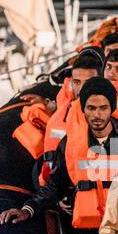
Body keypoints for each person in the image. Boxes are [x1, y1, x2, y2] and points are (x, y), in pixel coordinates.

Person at [0, 78, 118, 234]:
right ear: (83, 109)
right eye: (91, 108)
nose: (97, 115)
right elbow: (56, 184)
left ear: (112, 108)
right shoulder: (71, 143)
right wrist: (28, 209)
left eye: (103, 108)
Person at [41, 55, 103, 185]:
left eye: (88, 82)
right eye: (77, 82)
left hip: (85, 189)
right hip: (51, 184)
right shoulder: (62, 109)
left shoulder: (108, 119)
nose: (81, 88)